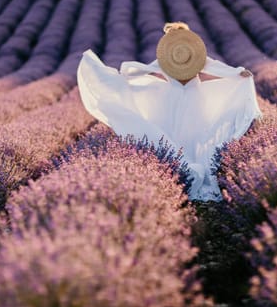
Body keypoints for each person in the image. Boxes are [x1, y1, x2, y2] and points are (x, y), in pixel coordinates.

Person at [77, 22, 263, 201]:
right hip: (195, 98)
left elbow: (144, 70)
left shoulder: (165, 59)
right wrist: (239, 73)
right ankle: (191, 171)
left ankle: (181, 174)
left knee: (176, 135)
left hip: (171, 100)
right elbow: (220, 68)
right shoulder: (196, 56)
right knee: (196, 135)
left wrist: (122, 76)